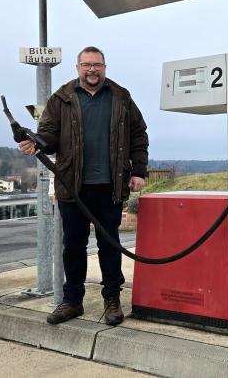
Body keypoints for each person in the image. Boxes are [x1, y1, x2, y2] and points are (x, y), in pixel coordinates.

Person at [19, 46, 148, 326]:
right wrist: (35, 142)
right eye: (87, 65)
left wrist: (139, 170)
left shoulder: (121, 97)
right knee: (73, 246)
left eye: (97, 65)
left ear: (104, 67)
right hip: (72, 186)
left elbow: (139, 134)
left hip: (110, 185)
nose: (92, 70)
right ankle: (72, 301)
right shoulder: (62, 97)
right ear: (78, 67)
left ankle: (112, 299)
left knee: (109, 245)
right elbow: (48, 136)